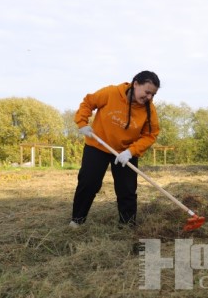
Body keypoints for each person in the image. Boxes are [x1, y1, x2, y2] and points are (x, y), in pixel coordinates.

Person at [69, 71, 160, 228]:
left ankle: (127, 224)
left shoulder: (149, 110)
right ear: (135, 84)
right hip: (98, 146)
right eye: (147, 92)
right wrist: (82, 123)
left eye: (153, 94)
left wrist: (131, 152)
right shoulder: (111, 93)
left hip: (125, 152)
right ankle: (77, 220)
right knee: (88, 183)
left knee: (127, 189)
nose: (149, 97)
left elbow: (150, 135)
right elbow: (88, 102)